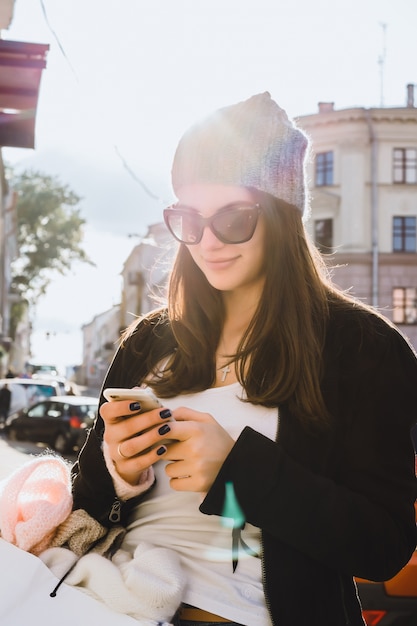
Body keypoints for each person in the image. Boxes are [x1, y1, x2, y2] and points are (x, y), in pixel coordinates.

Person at [72, 92, 417, 626]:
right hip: (107, 604)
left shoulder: (360, 346)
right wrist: (117, 470)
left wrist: (237, 471)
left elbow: (383, 545)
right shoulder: (147, 341)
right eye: (187, 218)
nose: (207, 241)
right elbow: (86, 508)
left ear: (282, 215)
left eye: (233, 218)